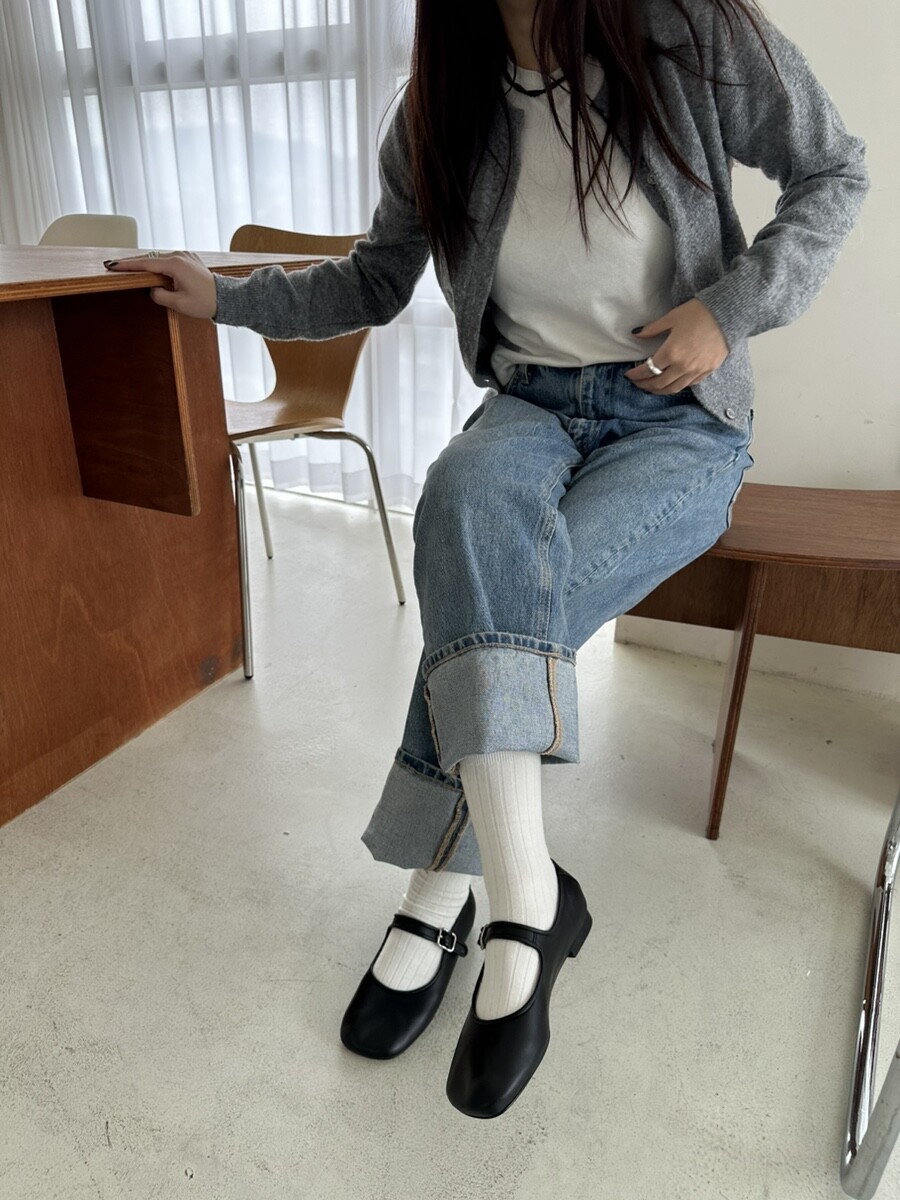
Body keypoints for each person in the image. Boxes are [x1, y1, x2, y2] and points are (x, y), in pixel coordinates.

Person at [106, 0, 868, 1119]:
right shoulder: (438, 106)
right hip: (530, 404)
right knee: (460, 502)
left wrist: (730, 307)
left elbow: (835, 170)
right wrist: (224, 297)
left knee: (502, 613)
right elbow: (375, 279)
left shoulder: (689, 33)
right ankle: (526, 900)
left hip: (681, 420)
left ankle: (437, 895)